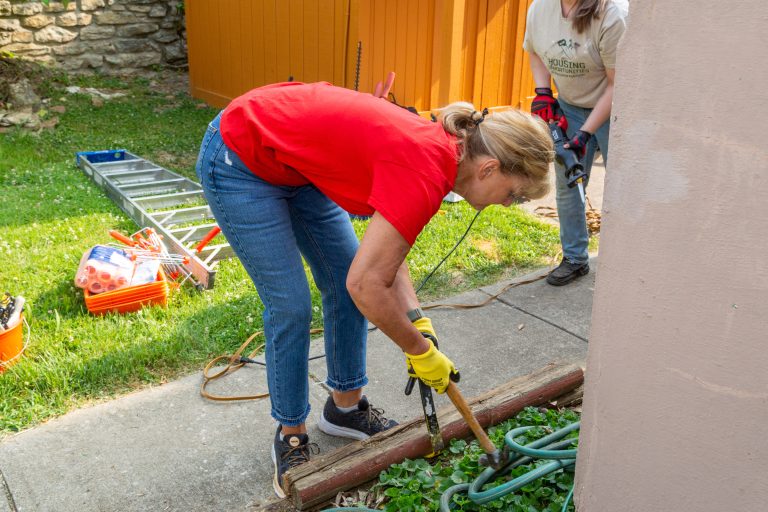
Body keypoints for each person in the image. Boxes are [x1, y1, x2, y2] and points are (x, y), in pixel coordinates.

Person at [194, 81, 553, 497]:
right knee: (290, 305)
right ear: (489, 167)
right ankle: (291, 433)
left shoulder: (443, 156)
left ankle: (344, 410)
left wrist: (418, 322)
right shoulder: (426, 167)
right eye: (513, 193)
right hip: (241, 154)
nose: (508, 204)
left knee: (346, 284)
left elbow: (383, 258)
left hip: (296, 163)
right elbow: (367, 285)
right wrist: (419, 352)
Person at [523, 0, 628, 285]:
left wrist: (584, 134)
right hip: (570, 106)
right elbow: (534, 51)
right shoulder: (540, 9)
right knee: (569, 185)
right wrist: (543, 91)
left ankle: (623, 267)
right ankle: (575, 259)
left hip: (618, 111)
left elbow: (617, 84)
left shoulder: (612, 14)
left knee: (622, 192)